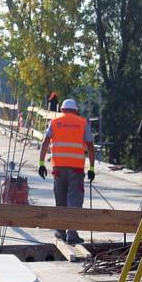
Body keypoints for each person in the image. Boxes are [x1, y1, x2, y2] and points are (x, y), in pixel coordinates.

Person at [37, 98, 96, 244]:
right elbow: (90, 146)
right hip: (76, 169)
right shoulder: (83, 123)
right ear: (76, 110)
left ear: (62, 110)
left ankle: (61, 231)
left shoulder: (55, 122)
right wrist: (92, 168)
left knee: (60, 200)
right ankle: (72, 234)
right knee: (74, 201)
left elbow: (45, 142)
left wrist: (41, 163)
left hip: (58, 168)